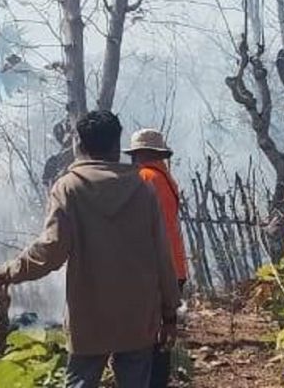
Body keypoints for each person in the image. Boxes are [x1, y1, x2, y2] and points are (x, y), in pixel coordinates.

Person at [0, 110, 181, 388]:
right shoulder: (143, 188)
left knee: (80, 382)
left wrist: (10, 271)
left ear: (80, 145)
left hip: (89, 318)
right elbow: (162, 255)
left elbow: (51, 251)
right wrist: (169, 314)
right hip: (137, 316)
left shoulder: (69, 188)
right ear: (116, 146)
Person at [125, 128, 187, 388]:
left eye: (135, 154)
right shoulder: (165, 178)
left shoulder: (144, 178)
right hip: (174, 265)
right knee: (162, 337)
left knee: (148, 340)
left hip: (156, 270)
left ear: (141, 153)